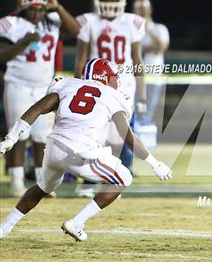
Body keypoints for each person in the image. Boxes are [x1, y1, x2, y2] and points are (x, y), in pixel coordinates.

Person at [0, 58, 172, 241]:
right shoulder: (112, 96)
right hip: (78, 153)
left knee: (43, 187)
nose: (117, 81)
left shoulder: (66, 84)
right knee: (124, 177)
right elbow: (128, 136)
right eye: (114, 77)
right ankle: (77, 223)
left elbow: (37, 108)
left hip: (52, 149)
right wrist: (155, 163)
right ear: (105, 77)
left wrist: (11, 138)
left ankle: (4, 228)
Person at [0, 0, 80, 196]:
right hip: (18, 83)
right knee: (19, 132)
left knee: (42, 136)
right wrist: (25, 42)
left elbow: (76, 30)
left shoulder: (51, 21)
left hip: (44, 85)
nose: (37, 13)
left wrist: (58, 7)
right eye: (32, 9)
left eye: (40, 9)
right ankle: (17, 181)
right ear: (23, 6)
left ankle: (41, 181)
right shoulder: (11, 24)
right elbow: (1, 56)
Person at [74, 0, 147, 172]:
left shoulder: (132, 22)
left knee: (117, 136)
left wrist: (142, 95)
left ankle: (108, 177)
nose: (109, 5)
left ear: (122, 1)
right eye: (106, 0)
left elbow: (137, 60)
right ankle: (90, 177)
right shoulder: (88, 21)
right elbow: (81, 58)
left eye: (114, 0)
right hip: (97, 83)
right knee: (94, 133)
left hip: (124, 85)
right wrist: (77, 86)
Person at [133, 0, 170, 123]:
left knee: (148, 113)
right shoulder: (131, 30)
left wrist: (149, 30)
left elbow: (161, 47)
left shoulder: (160, 29)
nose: (142, 12)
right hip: (134, 78)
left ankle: (143, 139)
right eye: (139, 9)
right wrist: (150, 48)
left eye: (144, 9)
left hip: (154, 77)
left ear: (150, 10)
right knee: (132, 110)